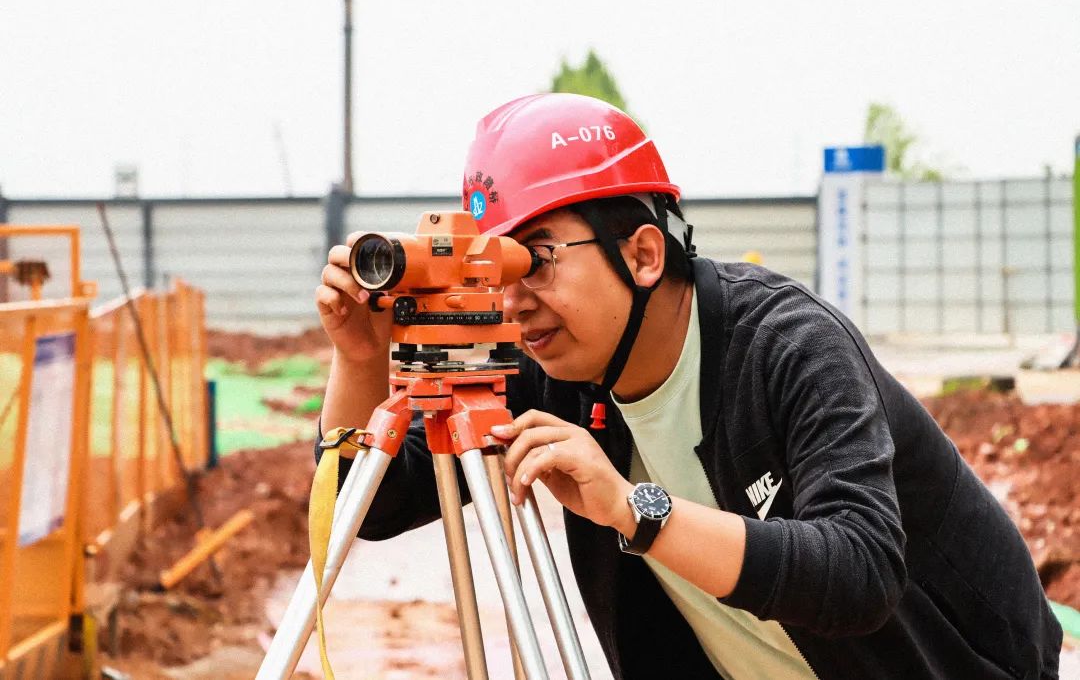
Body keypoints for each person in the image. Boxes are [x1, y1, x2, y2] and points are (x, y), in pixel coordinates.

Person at [314, 93, 1062, 679]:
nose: (515, 299)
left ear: (642, 254)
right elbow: (367, 508)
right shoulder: (552, 369)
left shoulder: (789, 345)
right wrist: (357, 358)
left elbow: (860, 570)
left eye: (537, 259)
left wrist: (632, 508)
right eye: (502, 267)